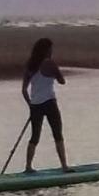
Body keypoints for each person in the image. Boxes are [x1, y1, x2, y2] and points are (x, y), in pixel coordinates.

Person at [22, 38, 73, 173]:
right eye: (50, 49)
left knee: (34, 137)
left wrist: (31, 105)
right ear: (46, 50)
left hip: (35, 105)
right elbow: (62, 81)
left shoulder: (30, 64)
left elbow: (24, 90)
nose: (52, 51)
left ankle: (28, 167)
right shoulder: (50, 63)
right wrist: (56, 72)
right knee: (58, 134)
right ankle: (64, 166)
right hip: (50, 103)